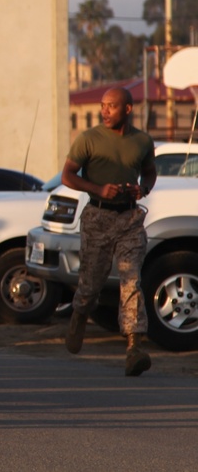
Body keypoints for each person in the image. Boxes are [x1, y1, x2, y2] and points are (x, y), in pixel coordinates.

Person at [62, 86, 156, 377]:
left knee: (132, 282)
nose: (104, 111)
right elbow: (67, 175)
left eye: (111, 106)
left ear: (127, 109)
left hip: (129, 218)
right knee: (90, 283)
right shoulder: (88, 139)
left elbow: (149, 170)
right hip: (97, 217)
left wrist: (144, 188)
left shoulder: (142, 140)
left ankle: (134, 347)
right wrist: (97, 188)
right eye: (103, 105)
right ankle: (79, 314)